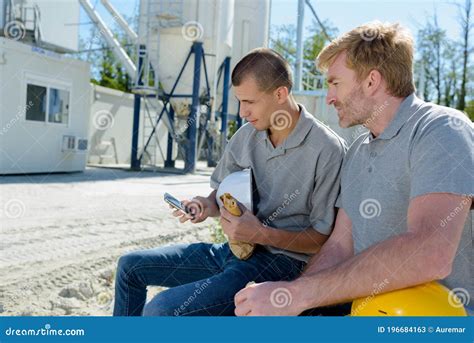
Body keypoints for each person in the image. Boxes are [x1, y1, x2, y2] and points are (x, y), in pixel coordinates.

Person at [234, 22, 473, 316]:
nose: (329, 97)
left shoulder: (441, 130)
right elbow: (339, 246)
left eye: (335, 83)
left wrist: (299, 294)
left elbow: (430, 251)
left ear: (372, 81)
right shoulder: (358, 151)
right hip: (365, 313)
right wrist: (287, 300)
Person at [112, 48, 347, 316]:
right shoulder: (247, 135)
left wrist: (260, 234)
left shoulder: (328, 149)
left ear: (280, 94)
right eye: (239, 101)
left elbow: (321, 239)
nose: (242, 111)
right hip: (232, 251)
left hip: (280, 263)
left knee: (161, 310)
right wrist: (203, 205)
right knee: (130, 267)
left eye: (249, 101)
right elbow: (220, 195)